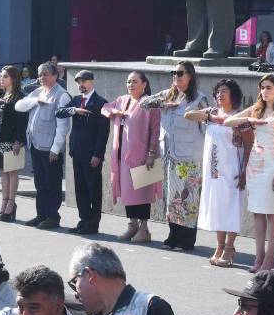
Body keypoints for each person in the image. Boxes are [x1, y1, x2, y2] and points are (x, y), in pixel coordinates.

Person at [224, 74, 274, 271]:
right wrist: (249, 118)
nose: (264, 91)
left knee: (270, 211)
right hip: (254, 163)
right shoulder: (256, 109)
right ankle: (259, 256)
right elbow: (228, 121)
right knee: (257, 212)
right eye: (262, 87)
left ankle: (270, 257)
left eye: (269, 87)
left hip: (271, 163)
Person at [140, 61, 211, 250]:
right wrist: (163, 103)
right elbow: (143, 103)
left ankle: (186, 239)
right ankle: (173, 236)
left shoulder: (199, 99)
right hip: (169, 156)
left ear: (190, 76)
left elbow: (208, 126)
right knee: (171, 198)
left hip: (189, 157)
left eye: (180, 73)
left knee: (188, 199)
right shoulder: (167, 94)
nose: (176, 76)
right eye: (173, 73)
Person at [183, 78, 251, 266]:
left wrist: (244, 171)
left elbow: (249, 145)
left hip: (233, 168)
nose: (220, 95)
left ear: (233, 94)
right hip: (213, 170)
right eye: (218, 91)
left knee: (231, 207)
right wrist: (211, 117)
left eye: (224, 91)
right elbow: (188, 115)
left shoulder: (239, 117)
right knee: (217, 208)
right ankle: (220, 246)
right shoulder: (212, 112)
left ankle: (229, 247)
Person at [14, 62, 72, 229]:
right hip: (35, 144)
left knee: (52, 183)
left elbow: (63, 126)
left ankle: (52, 216)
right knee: (40, 183)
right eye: (39, 74)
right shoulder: (38, 91)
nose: (41, 77)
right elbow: (19, 106)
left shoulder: (62, 95)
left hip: (50, 148)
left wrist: (56, 149)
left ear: (55, 76)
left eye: (45, 74)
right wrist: (35, 101)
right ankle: (41, 214)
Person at [105, 71, 160, 243]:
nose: (131, 85)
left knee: (142, 194)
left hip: (142, 156)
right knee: (128, 193)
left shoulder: (149, 103)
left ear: (144, 84)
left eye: (135, 81)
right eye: (129, 81)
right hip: (122, 156)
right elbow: (105, 108)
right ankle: (132, 225)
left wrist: (151, 154)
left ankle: (144, 229)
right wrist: (115, 111)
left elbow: (155, 130)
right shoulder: (123, 100)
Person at [55, 69, 110, 235]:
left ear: (92, 82)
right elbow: (59, 112)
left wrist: (98, 154)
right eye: (79, 82)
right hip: (77, 151)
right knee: (80, 188)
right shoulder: (76, 100)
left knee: (93, 189)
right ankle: (83, 220)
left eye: (84, 81)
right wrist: (74, 110)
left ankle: (93, 223)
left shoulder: (101, 102)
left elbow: (103, 132)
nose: (81, 85)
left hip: (92, 153)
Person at [0, 65, 28, 223]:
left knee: (11, 171)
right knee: (2, 171)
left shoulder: (19, 96)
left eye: (5, 76)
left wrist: (19, 141)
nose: (1, 79)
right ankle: (4, 202)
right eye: (1, 76)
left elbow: (22, 121)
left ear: (13, 79)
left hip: (11, 139)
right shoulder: (0, 93)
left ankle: (11, 203)